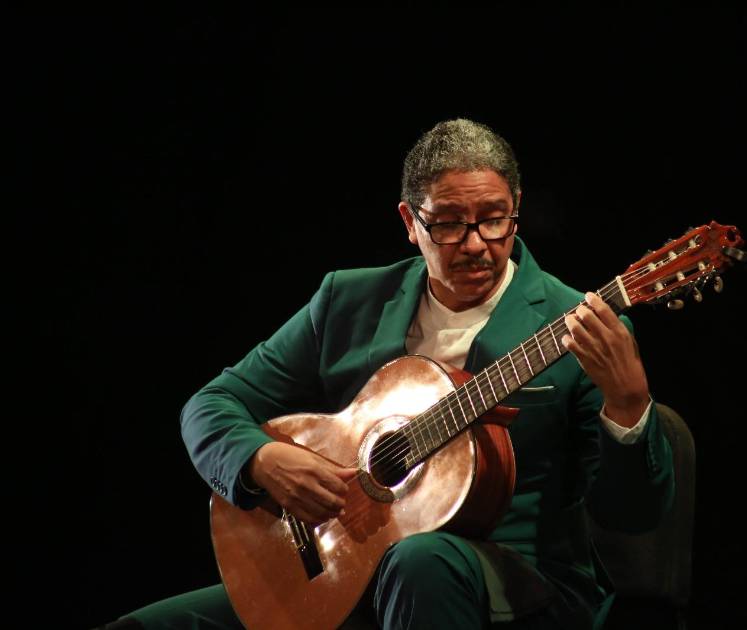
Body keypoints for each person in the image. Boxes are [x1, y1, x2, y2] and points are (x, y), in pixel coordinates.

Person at [103, 119, 675, 629]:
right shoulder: (347, 301)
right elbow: (210, 406)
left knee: (419, 561)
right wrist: (261, 459)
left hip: (513, 584)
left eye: (494, 220)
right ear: (410, 221)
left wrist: (628, 409)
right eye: (448, 224)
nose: (476, 244)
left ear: (516, 207)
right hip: (340, 568)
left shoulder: (577, 325)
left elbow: (633, 518)